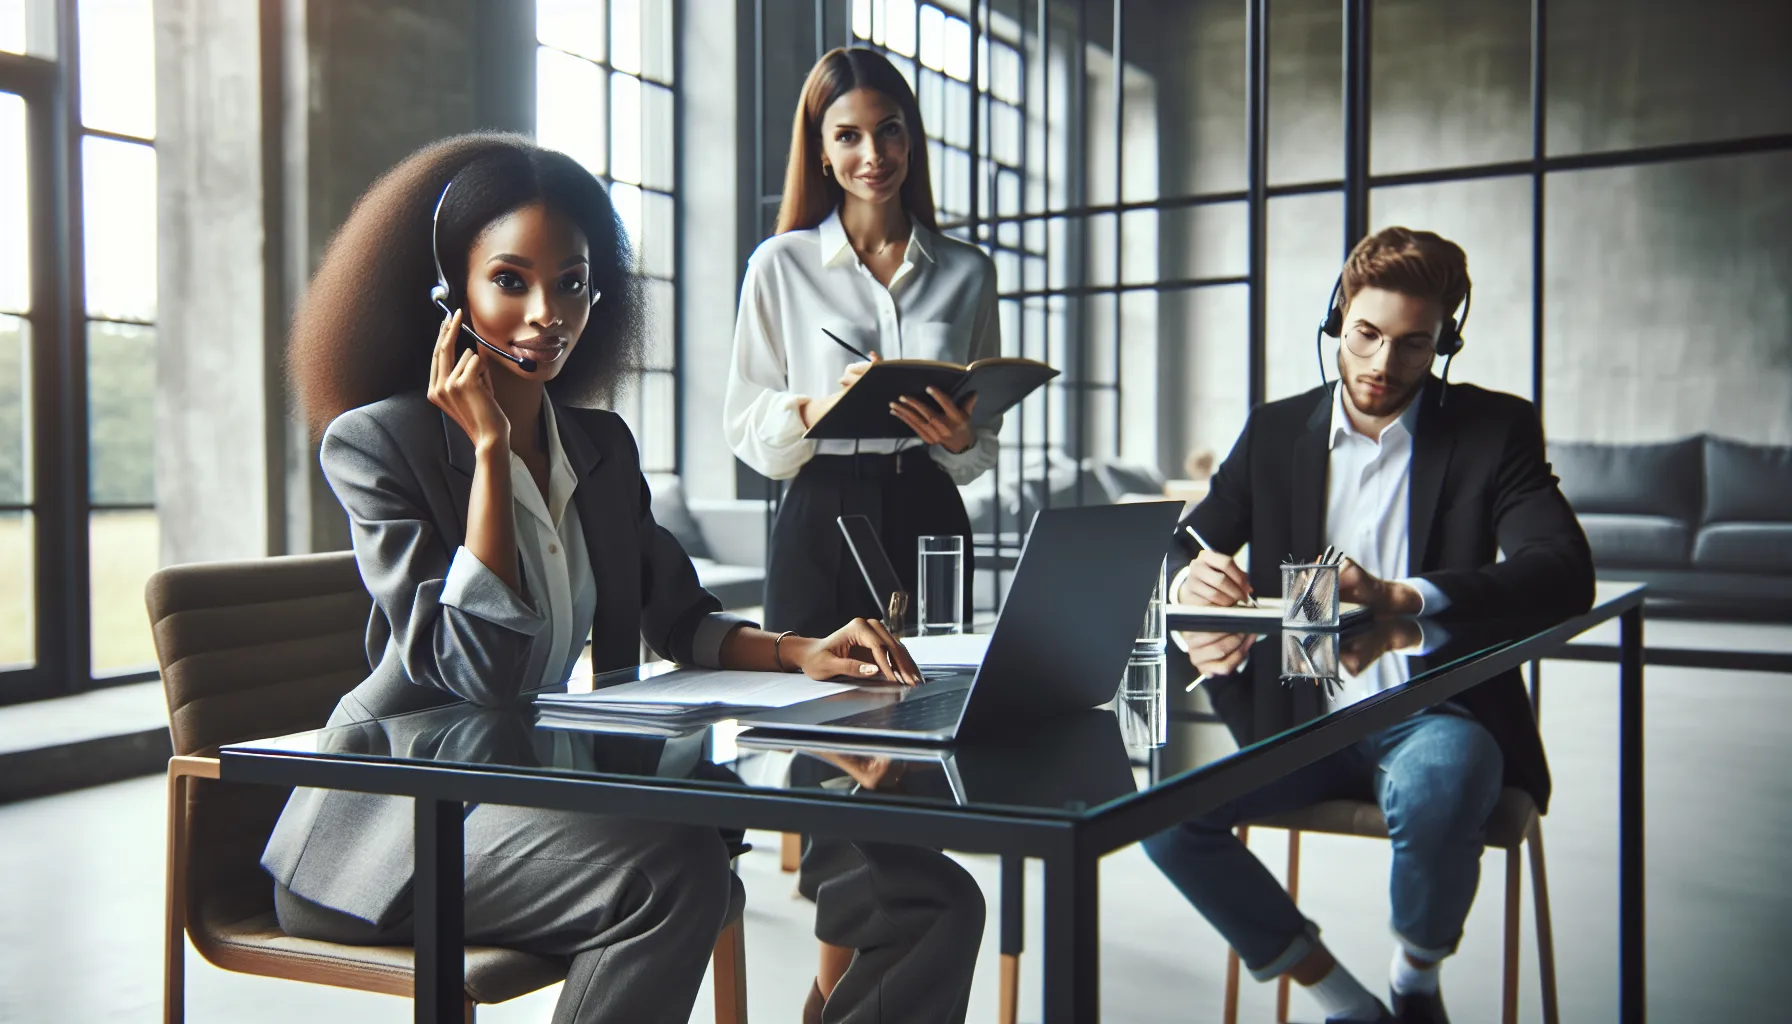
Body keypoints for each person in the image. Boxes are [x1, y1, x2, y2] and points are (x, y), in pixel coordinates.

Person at [265, 132, 920, 1024]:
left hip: (534, 794)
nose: (548, 313)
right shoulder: (379, 445)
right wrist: (491, 455)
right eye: (509, 281)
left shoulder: (599, 446)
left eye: (570, 282)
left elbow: (676, 613)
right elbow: (481, 671)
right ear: (447, 293)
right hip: (386, 838)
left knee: (882, 863)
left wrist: (803, 649)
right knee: (670, 871)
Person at [1147, 227, 1594, 1024]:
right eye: (1367, 335)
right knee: (1162, 815)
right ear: (1337, 319)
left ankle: (1414, 983)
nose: (1384, 365)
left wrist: (1403, 597)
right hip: (1288, 717)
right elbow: (1187, 533)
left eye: (1414, 345)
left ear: (1444, 343)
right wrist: (1188, 571)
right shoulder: (1278, 429)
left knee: (1441, 782)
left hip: (1437, 716)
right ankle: (1344, 1000)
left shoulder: (1495, 431)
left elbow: (1563, 571)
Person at [723, 47, 996, 1023]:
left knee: (914, 758)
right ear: (821, 148)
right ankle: (847, 991)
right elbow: (744, 430)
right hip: (821, 519)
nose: (871, 152)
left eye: (888, 130)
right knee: (837, 756)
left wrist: (965, 439)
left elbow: (975, 446)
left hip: (927, 510)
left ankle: (832, 993)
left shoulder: (964, 268)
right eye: (848, 135)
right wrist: (813, 405)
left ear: (912, 138)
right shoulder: (781, 265)